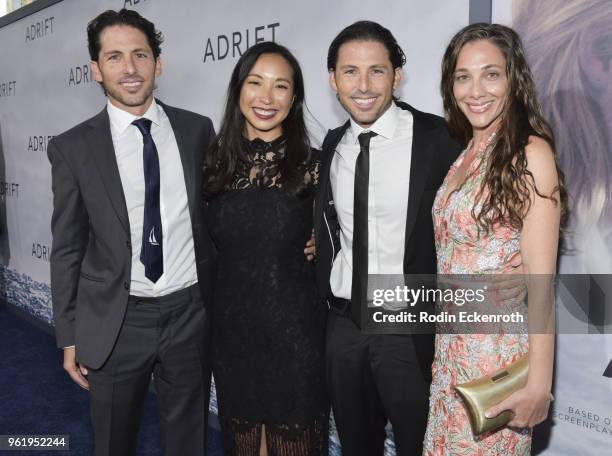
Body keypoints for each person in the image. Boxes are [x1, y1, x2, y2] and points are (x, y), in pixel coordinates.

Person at [48, 9, 215, 456]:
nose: (129, 68)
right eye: (115, 56)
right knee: (112, 442)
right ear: (95, 69)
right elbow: (66, 248)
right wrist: (68, 334)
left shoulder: (197, 130)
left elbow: (218, 217)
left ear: (158, 63)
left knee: (188, 441)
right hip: (116, 320)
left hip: (189, 314)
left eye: (140, 54)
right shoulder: (72, 148)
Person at [314, 21, 461, 455]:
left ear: (397, 76)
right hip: (343, 324)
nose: (363, 85)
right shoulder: (333, 143)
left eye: (376, 71)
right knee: (356, 446)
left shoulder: (441, 139)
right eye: (350, 72)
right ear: (333, 79)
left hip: (407, 324)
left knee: (420, 445)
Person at [423, 23, 568, 454]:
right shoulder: (464, 155)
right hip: (450, 361)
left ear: (513, 79)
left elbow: (542, 285)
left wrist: (539, 385)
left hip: (496, 369)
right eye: (462, 76)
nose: (475, 90)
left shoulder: (530, 153)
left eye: (491, 74)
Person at [203, 42, 328, 455]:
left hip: (298, 336)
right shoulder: (208, 166)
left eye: (281, 87)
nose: (266, 97)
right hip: (232, 334)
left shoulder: (317, 166)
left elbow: (349, 240)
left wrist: (324, 243)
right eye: (255, 83)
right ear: (238, 89)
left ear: (294, 100)